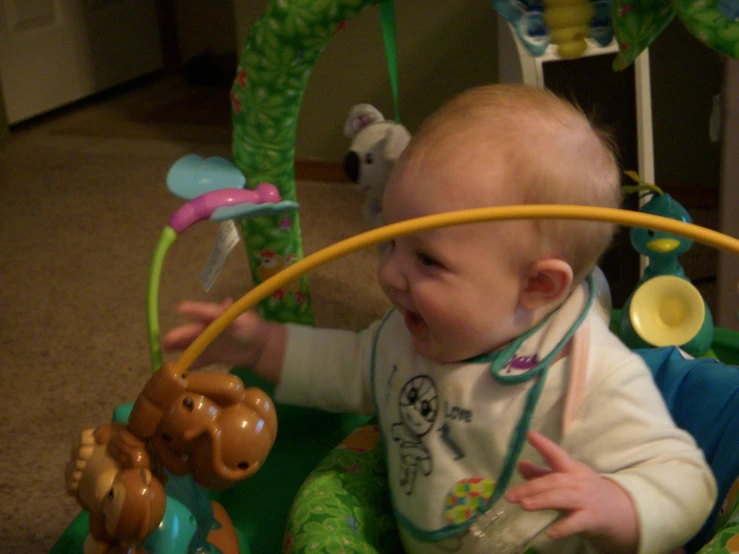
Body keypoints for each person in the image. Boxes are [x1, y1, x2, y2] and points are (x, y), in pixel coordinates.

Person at [162, 84, 716, 554]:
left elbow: (686, 482)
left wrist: (616, 503)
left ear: (538, 285)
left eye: (427, 260)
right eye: (392, 242)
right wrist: (264, 346)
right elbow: (356, 365)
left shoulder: (589, 376)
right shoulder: (413, 331)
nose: (391, 275)